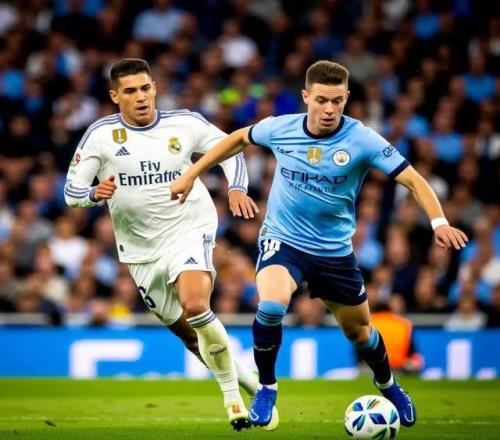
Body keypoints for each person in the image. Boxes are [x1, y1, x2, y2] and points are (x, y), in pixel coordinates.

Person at [171, 60, 469, 430]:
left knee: (360, 333)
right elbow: (236, 138)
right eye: (321, 100)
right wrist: (192, 173)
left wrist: (439, 222)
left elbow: (413, 179)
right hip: (284, 240)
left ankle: (388, 384)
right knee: (271, 305)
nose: (329, 109)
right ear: (306, 97)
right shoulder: (281, 128)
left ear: (347, 98)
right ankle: (266, 388)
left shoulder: (362, 139)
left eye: (337, 101)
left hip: (334, 253)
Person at [64, 58, 261, 431]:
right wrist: (93, 194)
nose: (141, 97)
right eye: (130, 91)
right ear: (115, 96)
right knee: (191, 337)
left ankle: (232, 398)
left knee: (196, 305)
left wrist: (237, 187)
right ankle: (249, 382)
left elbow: (231, 148)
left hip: (189, 227)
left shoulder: (185, 123)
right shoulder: (100, 135)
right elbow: (71, 193)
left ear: (154, 88)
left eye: (146, 88)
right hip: (140, 250)